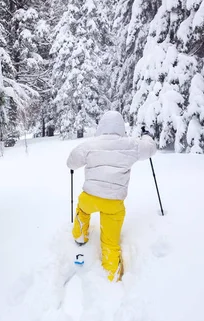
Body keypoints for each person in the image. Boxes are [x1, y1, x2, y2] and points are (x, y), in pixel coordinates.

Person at [66, 111, 157, 282]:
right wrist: (147, 137)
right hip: (113, 204)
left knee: (82, 210)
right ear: (121, 127)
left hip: (90, 198)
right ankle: (111, 275)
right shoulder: (131, 145)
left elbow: (71, 162)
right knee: (110, 243)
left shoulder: (90, 144)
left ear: (101, 126)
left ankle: (80, 235)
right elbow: (150, 149)